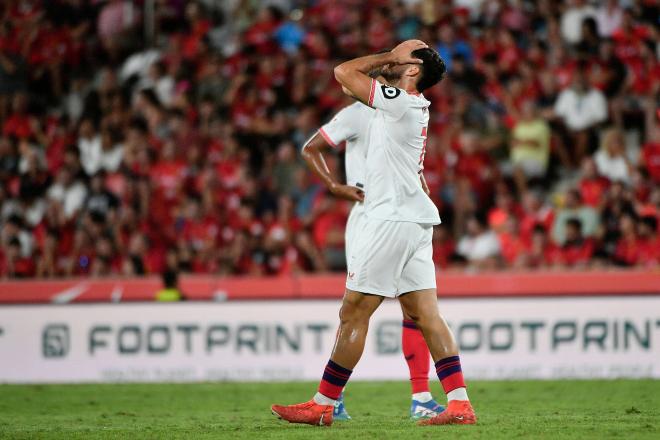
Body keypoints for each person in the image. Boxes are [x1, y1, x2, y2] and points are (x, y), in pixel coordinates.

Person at [272, 40, 476, 427]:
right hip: (413, 221)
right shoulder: (407, 106)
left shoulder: (399, 101)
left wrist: (388, 59)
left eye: (401, 56)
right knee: (426, 314)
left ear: (412, 70)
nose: (391, 56)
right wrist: (391, 61)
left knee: (354, 311)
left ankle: (323, 403)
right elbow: (350, 85)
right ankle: (460, 403)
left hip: (390, 221)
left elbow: (343, 72)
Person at [300, 67, 443, 419]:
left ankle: (421, 398)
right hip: (369, 216)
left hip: (401, 214)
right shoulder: (358, 115)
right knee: (357, 306)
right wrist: (336, 187)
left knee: (415, 309)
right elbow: (311, 147)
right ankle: (336, 398)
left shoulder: (401, 110)